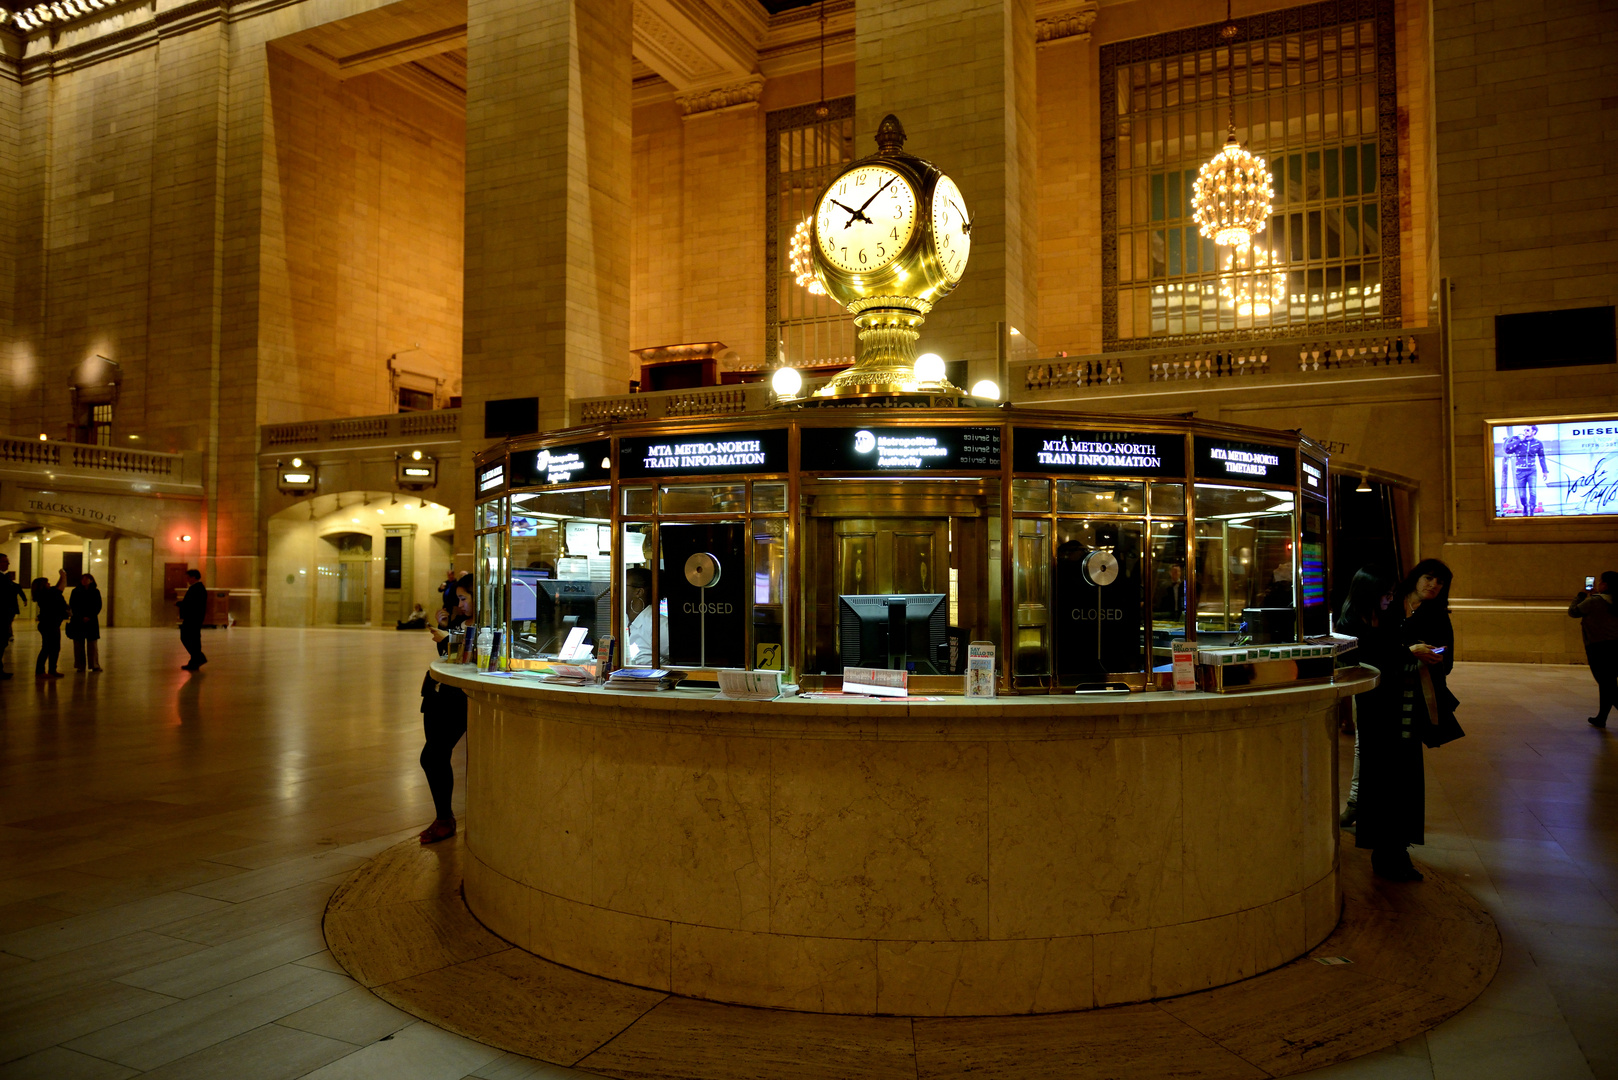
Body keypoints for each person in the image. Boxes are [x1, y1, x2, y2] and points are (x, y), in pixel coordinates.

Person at [1339, 564, 1434, 882]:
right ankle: (1387, 852)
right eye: (1386, 593)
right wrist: (1408, 653)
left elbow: (1393, 651)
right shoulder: (1350, 624)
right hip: (1376, 713)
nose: (1391, 597)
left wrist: (1412, 651)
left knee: (1403, 782)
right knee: (1382, 782)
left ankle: (1397, 849)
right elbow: (1361, 665)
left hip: (1401, 710)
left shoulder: (1388, 616)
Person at [419, 573, 474, 844]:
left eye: (464, 598)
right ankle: (443, 817)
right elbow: (449, 658)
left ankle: (444, 818)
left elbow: (463, 656)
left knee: (432, 757)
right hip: (438, 694)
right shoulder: (461, 622)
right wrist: (445, 628)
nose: (460, 604)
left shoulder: (488, 625)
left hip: (457, 699)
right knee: (434, 756)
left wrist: (445, 639)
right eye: (458, 599)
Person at [1569, 571, 1618, 729]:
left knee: (1606, 684)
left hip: (1599, 647)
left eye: (1600, 581)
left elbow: (1573, 612)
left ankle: (1602, 717)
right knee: (1608, 684)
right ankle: (1601, 717)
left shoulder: (1594, 601)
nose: (1597, 584)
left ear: (1605, 584)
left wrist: (1581, 595)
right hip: (1615, 646)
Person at [623, 566, 669, 665]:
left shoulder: (658, 625)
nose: (614, 590)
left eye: (621, 585)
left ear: (638, 592)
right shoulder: (624, 622)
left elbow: (686, 663)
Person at [1503, 425, 1549, 516]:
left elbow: (1542, 458)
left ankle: (1531, 510)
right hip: (1520, 471)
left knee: (1533, 491)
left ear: (1534, 432)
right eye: (1524, 430)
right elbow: (1507, 450)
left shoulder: (1538, 443)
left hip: (1532, 470)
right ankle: (1524, 507)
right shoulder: (1518, 441)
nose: (1525, 432)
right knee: (1522, 494)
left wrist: (1545, 471)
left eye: (1528, 430)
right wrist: (1519, 440)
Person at [32, 570, 68, 679]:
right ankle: (41, 671)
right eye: (47, 583)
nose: (49, 584)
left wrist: (62, 577)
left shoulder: (47, 593)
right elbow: (60, 587)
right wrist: (63, 575)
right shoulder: (45, 594)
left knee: (54, 648)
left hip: (52, 624)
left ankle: (52, 670)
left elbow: (58, 587)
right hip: (49, 624)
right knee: (48, 648)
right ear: (42, 585)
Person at [69, 573, 104, 672]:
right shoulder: (75, 591)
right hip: (78, 621)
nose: (84, 581)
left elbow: (98, 606)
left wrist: (89, 616)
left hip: (91, 621)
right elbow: (73, 605)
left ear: (91, 580)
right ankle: (80, 666)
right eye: (82, 579)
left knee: (92, 644)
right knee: (78, 644)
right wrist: (81, 617)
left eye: (86, 579)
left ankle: (94, 665)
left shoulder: (95, 592)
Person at [177, 568, 208, 670]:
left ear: (193, 577)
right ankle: (195, 660)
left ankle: (198, 658)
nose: (187, 580)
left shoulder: (197, 588)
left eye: (188, 577)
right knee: (193, 639)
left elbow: (193, 604)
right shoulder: (197, 588)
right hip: (194, 618)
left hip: (193, 618)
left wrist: (181, 604)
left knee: (188, 638)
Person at [0, 557, 23, 680]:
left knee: (2, 643)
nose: (8, 563)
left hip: (5, 614)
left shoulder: (5, 578)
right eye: (5, 561)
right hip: (2, 614)